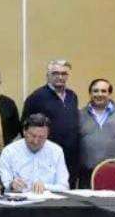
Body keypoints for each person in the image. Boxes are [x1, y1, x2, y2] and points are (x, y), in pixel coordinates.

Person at [21, 59, 79, 187]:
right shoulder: (36, 97)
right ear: (48, 75)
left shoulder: (72, 96)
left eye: (64, 74)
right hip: (47, 155)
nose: (60, 77)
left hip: (71, 156)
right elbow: (25, 127)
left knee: (68, 191)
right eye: (55, 73)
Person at [0, 114, 69, 194]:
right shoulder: (9, 151)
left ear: (47, 135)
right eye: (33, 136)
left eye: (41, 137)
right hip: (19, 199)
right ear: (24, 132)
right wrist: (11, 185)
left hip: (49, 199)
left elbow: (64, 186)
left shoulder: (56, 151)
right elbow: (2, 184)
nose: (36, 141)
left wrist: (45, 186)